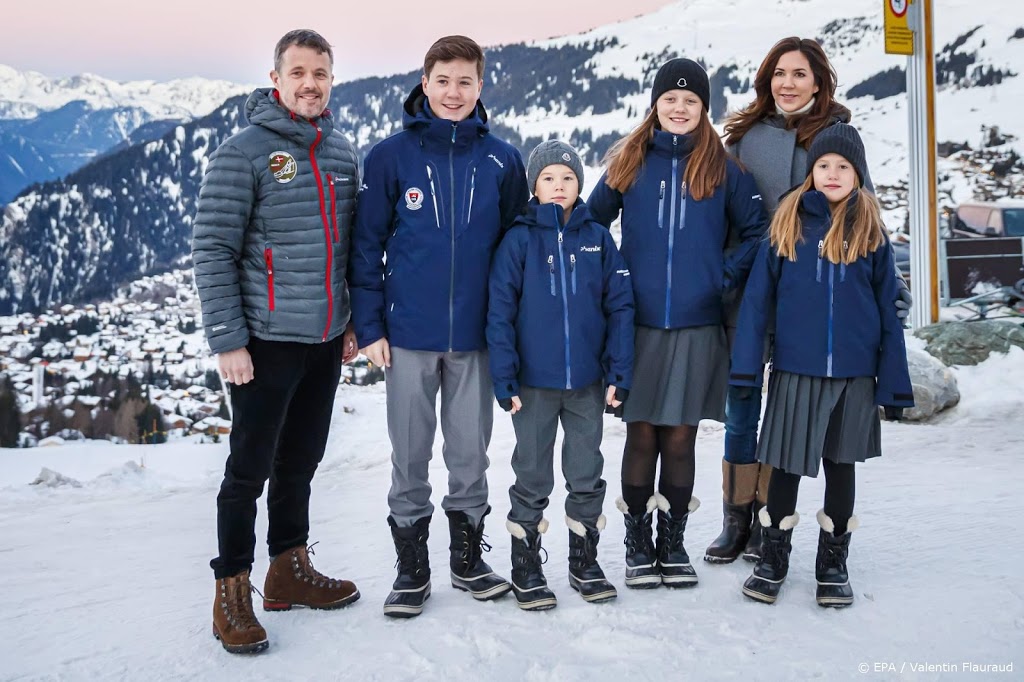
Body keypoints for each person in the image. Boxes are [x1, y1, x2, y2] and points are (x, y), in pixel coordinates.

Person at [706, 37, 912, 564]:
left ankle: (770, 520)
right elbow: (723, 215)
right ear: (767, 80)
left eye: (799, 74)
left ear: (819, 82)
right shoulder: (745, 138)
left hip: (818, 300)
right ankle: (737, 518)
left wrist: (892, 294)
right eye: (780, 73)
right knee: (742, 409)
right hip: (754, 290)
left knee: (789, 413)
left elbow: (865, 215)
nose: (788, 83)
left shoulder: (837, 137)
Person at [348, 35, 529, 618]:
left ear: (481, 86)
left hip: (477, 337)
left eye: (465, 82)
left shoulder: (502, 160)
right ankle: (412, 569)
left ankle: (467, 560)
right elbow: (365, 247)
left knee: (471, 454)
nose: (454, 93)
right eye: (443, 81)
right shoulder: (390, 157)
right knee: (409, 454)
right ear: (424, 83)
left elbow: (517, 251)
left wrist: (510, 330)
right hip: (407, 336)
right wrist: (370, 326)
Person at [192, 29, 361, 654]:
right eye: (298, 73)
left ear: (331, 79)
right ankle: (231, 590)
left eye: (320, 73)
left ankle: (288, 568)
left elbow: (348, 248)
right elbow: (213, 249)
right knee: (248, 469)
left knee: (302, 460)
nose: (310, 84)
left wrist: (349, 321)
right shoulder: (243, 153)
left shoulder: (340, 152)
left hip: (324, 339)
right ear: (276, 79)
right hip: (264, 341)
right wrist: (228, 340)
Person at [588, 58, 767, 589]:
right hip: (638, 325)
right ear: (655, 104)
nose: (680, 107)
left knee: (682, 439)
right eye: (670, 98)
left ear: (704, 108)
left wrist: (720, 277)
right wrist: (614, 276)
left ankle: (673, 544)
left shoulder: (726, 169)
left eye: (691, 100)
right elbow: (590, 224)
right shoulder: (629, 161)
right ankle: (637, 543)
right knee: (641, 434)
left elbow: (758, 233)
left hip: (696, 325)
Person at [730, 123, 914, 606]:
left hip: (855, 376)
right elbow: (757, 304)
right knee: (786, 467)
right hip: (796, 370)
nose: (832, 173)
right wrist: (747, 368)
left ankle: (833, 562)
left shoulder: (871, 234)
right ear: (811, 172)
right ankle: (773, 558)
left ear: (859, 174)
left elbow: (888, 313)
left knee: (841, 467)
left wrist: (894, 384)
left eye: (843, 166)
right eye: (823, 165)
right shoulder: (788, 225)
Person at [487, 140, 634, 610]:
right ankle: (526, 564)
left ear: (579, 184)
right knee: (531, 472)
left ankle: (583, 560)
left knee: (586, 470)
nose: (558, 185)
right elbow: (500, 312)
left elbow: (620, 307)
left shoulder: (597, 238)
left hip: (587, 384)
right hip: (533, 385)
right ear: (534, 186)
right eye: (548, 178)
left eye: (568, 178)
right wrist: (504, 376)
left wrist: (618, 371)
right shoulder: (519, 239)